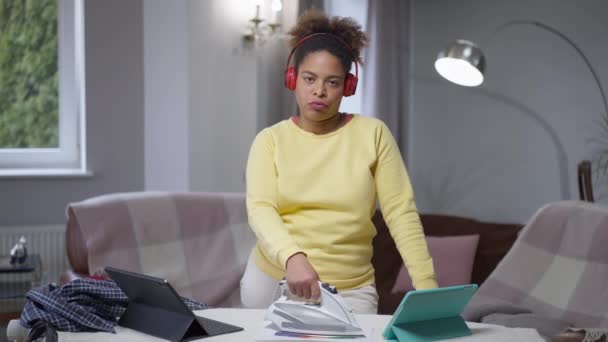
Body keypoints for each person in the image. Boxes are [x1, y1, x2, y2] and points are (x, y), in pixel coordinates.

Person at [240, 10, 438, 314]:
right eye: (309, 78)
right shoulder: (270, 140)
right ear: (292, 78)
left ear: (347, 86)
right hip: (272, 279)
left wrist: (427, 288)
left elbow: (401, 212)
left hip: (350, 288)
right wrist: (293, 257)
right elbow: (260, 208)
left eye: (332, 82)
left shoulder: (373, 134)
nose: (319, 91)